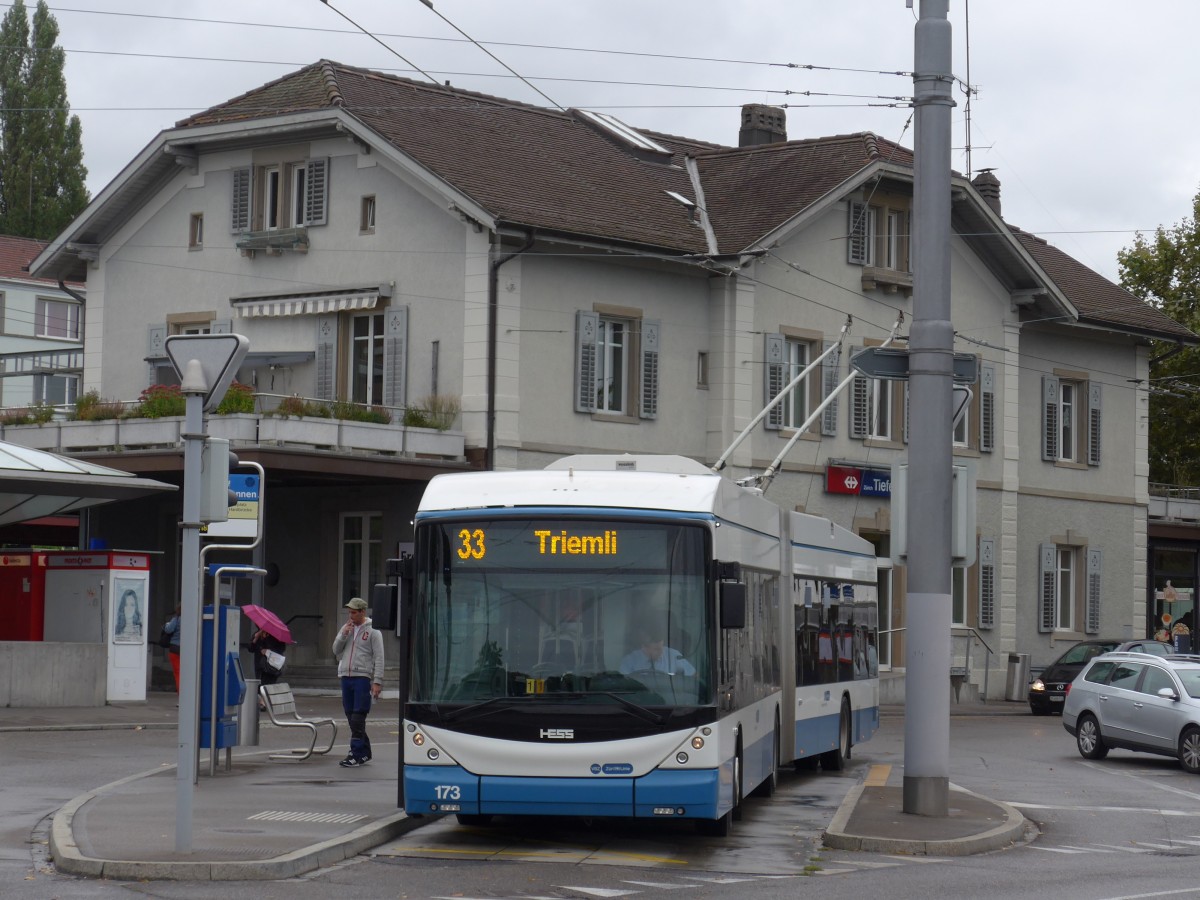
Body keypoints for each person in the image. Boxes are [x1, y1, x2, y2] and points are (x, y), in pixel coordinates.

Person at [331, 597, 384, 768]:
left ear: (362, 612)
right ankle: (364, 751)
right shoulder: (347, 628)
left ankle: (355, 753)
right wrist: (343, 634)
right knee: (350, 715)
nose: (351, 615)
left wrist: (377, 681)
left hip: (362, 676)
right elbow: (335, 650)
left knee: (358, 716)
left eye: (354, 612)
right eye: (349, 612)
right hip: (346, 675)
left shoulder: (373, 632)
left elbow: (379, 657)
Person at [619, 628, 695, 676]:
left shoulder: (674, 656)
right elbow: (622, 685)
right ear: (644, 647)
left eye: (662, 647)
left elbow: (694, 677)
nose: (661, 652)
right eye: (656, 649)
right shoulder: (630, 661)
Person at [163, 604, 182, 691]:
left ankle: (181, 698)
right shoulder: (192, 619)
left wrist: (166, 625)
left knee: (178, 673)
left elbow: (169, 629)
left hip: (175, 648)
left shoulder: (176, 619)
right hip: (189, 649)